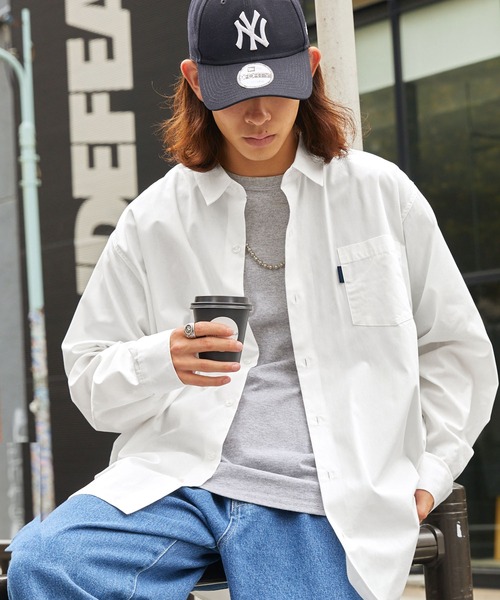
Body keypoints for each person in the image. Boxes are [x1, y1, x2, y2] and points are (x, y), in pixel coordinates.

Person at [6, 0, 498, 598]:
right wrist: (162, 359)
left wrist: (433, 469)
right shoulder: (155, 219)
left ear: (310, 69)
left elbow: (454, 348)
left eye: (277, 89)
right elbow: (88, 376)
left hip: (324, 491)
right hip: (180, 477)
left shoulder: (379, 194)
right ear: (195, 82)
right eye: (235, 94)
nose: (259, 114)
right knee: (48, 563)